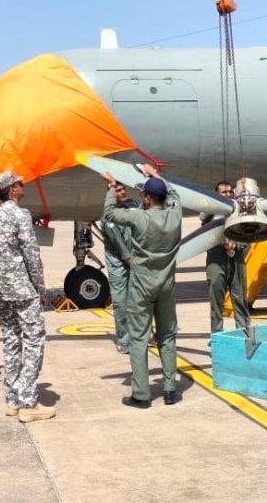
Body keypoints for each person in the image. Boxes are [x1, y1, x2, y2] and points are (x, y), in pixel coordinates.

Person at [101, 164, 182, 408]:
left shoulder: (139, 217)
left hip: (141, 287)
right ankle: (170, 390)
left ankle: (141, 394)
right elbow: (175, 194)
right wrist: (156, 175)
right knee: (167, 336)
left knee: (138, 339)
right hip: (166, 286)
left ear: (147, 198)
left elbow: (110, 214)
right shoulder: (175, 214)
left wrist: (111, 187)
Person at [0, 171, 55, 423]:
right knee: (34, 341)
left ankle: (12, 400)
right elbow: (31, 253)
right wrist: (40, 288)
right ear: (12, 190)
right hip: (23, 289)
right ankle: (28, 402)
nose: (22, 185)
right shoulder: (20, 214)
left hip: (3, 289)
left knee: (11, 342)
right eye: (19, 183)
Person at [202, 181, 249, 337]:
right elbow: (203, 220)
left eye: (230, 192)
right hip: (216, 260)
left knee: (240, 301)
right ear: (217, 194)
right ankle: (217, 337)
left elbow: (248, 236)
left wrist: (237, 245)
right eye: (224, 192)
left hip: (237, 260)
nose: (228, 194)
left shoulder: (240, 213)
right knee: (216, 304)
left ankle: (243, 335)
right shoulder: (210, 214)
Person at [102, 183, 136, 354]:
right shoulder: (109, 217)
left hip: (134, 261)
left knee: (138, 302)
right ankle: (124, 340)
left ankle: (140, 336)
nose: (123, 192)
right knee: (121, 303)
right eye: (118, 190)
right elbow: (121, 247)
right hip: (119, 265)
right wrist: (134, 263)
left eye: (123, 189)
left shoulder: (132, 208)